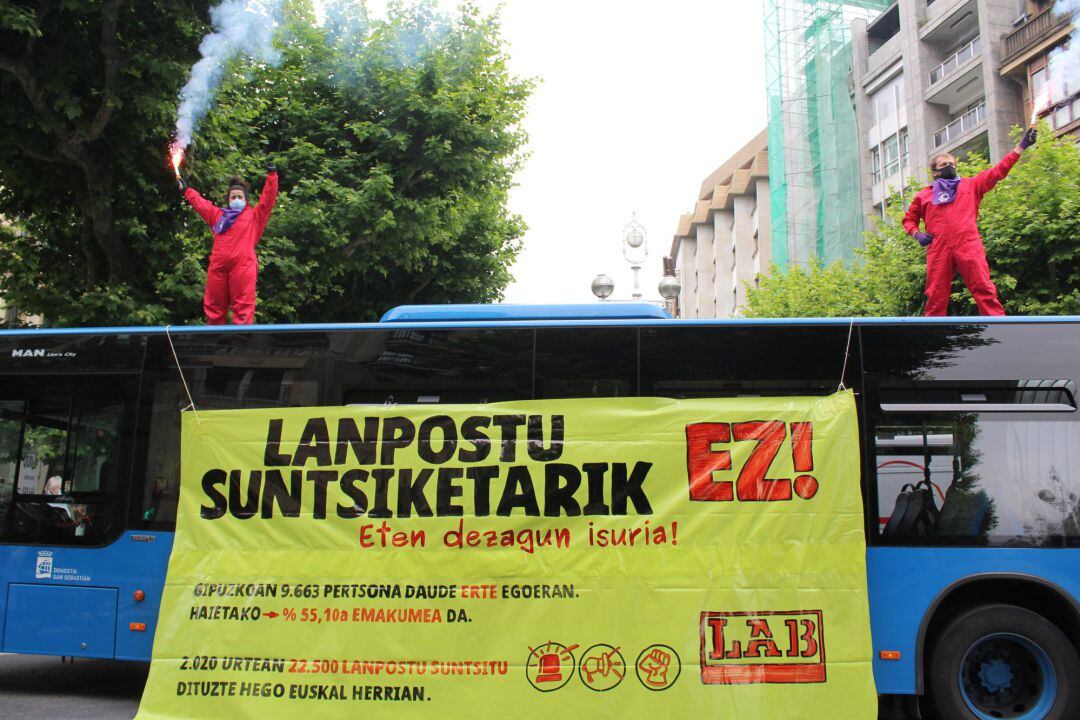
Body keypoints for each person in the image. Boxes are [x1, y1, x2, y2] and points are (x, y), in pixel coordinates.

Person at [902, 127, 1036, 316]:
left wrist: (1022, 146)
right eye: (944, 164)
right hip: (938, 247)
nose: (949, 166)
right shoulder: (924, 195)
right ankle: (932, 336)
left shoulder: (971, 185)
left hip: (968, 243)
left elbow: (999, 171)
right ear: (934, 172)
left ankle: (1000, 328)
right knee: (935, 294)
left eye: (952, 163)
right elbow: (908, 219)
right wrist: (917, 234)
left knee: (983, 287)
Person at [181, 161, 279, 324]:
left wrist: (272, 175)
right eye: (233, 197)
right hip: (218, 267)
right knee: (214, 307)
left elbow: (268, 199)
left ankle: (239, 343)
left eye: (239, 197)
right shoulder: (218, 216)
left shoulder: (255, 216)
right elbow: (201, 204)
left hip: (243, 266)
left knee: (243, 308)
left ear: (246, 200)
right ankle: (216, 340)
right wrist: (186, 190)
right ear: (228, 199)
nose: (236, 199)